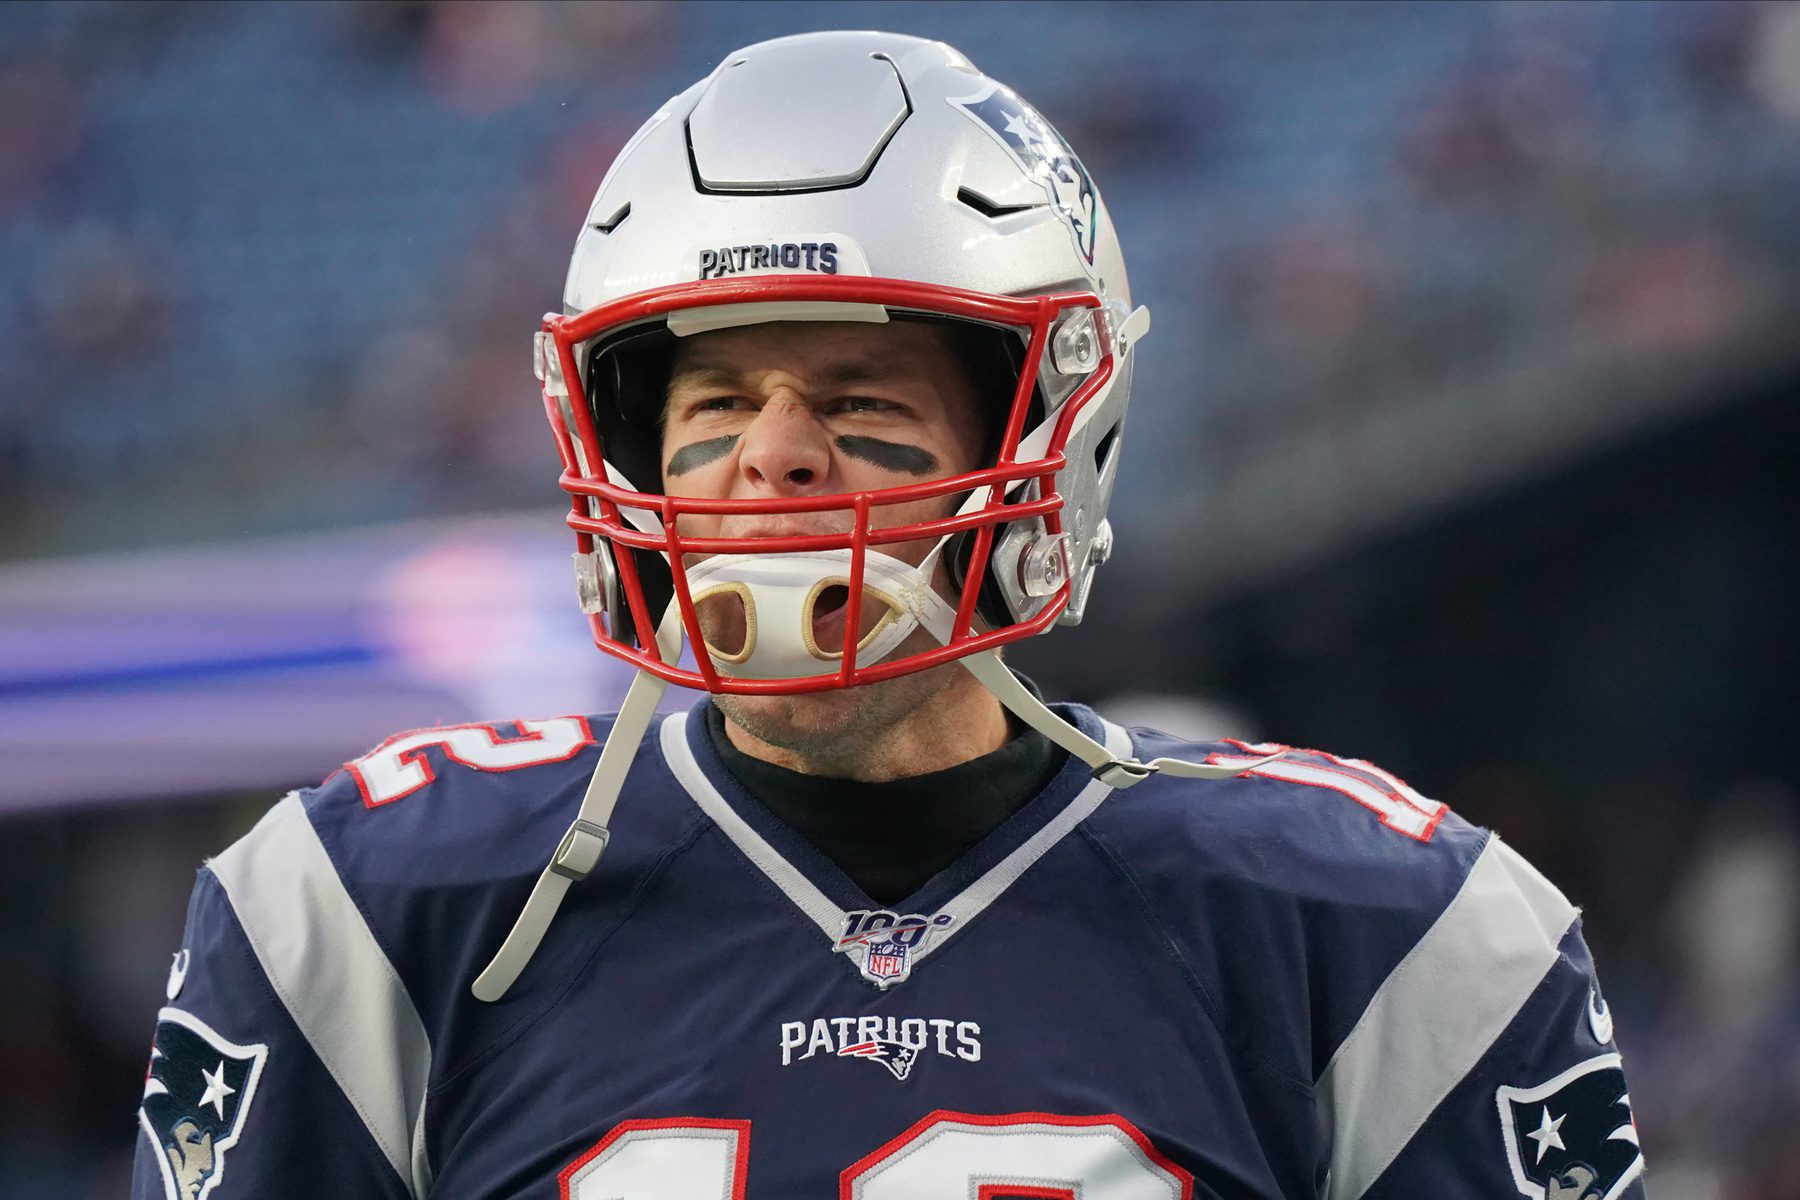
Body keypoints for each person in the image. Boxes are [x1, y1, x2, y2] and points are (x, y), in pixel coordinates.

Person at [133, 31, 1645, 1200]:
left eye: (857, 397)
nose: (774, 453)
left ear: (1044, 430)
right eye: (716, 399)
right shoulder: (371, 913)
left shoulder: (1372, 931)